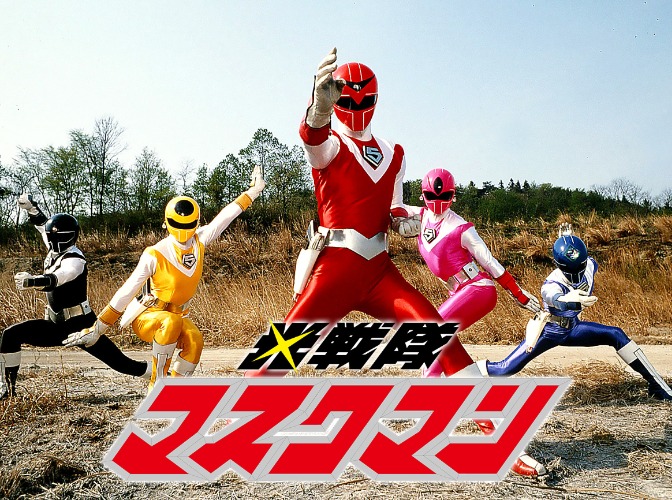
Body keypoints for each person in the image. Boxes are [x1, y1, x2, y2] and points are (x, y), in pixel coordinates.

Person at [255, 49, 544, 476]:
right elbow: (313, 141)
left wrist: (409, 221)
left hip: (378, 269)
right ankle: (234, 421)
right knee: (285, 346)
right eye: (346, 100)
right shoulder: (332, 144)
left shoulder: (394, 153)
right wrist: (318, 109)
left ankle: (501, 437)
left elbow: (393, 209)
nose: (355, 109)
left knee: (438, 333)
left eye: (362, 100)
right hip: (335, 266)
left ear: (376, 99)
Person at [64, 167, 265, 391]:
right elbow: (127, 290)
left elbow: (226, 216)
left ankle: (174, 391)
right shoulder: (155, 253)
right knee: (171, 323)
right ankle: (157, 384)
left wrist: (253, 191)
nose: (183, 231)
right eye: (179, 225)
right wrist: (98, 328)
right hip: (149, 316)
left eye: (188, 225)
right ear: (167, 223)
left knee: (195, 340)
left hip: (177, 314)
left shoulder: (199, 242)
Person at [478, 225, 672, 401]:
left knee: (616, 334)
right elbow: (555, 298)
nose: (576, 274)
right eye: (570, 270)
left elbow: (578, 257)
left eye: (580, 266)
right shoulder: (552, 283)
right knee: (504, 369)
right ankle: (464, 374)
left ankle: (657, 384)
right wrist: (570, 301)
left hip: (573, 328)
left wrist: (567, 242)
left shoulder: (589, 265)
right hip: (549, 331)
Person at [0, 195, 149, 400]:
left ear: (69, 237)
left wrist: (32, 281)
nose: (52, 241)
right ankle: (8, 391)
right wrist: (31, 208)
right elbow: (43, 226)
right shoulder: (54, 248)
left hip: (80, 325)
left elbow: (59, 277)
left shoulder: (76, 260)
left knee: (123, 364)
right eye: (51, 237)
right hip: (55, 324)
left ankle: (162, 375)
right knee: (10, 335)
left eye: (57, 237)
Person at [411, 168, 541, 378]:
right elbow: (389, 206)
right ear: (422, 195)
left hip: (478, 289)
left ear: (453, 196)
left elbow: (489, 262)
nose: (437, 201)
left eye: (444, 196)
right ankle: (467, 386)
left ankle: (428, 391)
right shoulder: (419, 216)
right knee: (442, 346)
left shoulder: (461, 227)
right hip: (458, 292)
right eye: (431, 196)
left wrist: (519, 294)